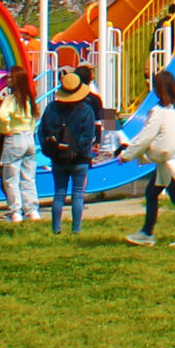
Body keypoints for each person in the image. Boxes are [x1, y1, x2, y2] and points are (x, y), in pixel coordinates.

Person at [118, 69, 175, 246]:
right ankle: (147, 232)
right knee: (152, 193)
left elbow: (145, 137)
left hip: (169, 162)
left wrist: (127, 155)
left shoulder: (158, 111)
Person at [38, 67, 101, 236]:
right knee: (78, 194)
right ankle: (76, 229)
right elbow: (99, 124)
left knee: (59, 193)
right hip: (80, 158)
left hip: (58, 157)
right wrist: (100, 141)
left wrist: (50, 150)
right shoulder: (94, 101)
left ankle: (56, 228)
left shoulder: (52, 108)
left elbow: (42, 131)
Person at [0, 69, 42, 223]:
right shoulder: (29, 99)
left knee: (10, 178)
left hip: (15, 138)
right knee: (28, 177)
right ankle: (32, 210)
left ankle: (15, 212)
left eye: (10, 78)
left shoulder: (11, 99)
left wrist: (4, 129)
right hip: (29, 138)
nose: (7, 80)